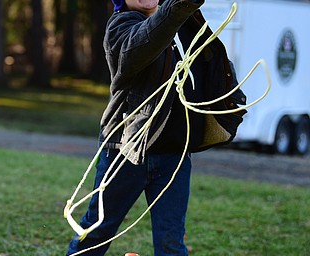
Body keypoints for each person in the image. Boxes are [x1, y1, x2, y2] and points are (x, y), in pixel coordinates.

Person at [66, 0, 246, 255]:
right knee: (96, 231)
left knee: (171, 242)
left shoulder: (184, 23)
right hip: (126, 150)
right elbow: (144, 42)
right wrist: (176, 9)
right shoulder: (120, 26)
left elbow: (209, 62)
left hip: (175, 154)